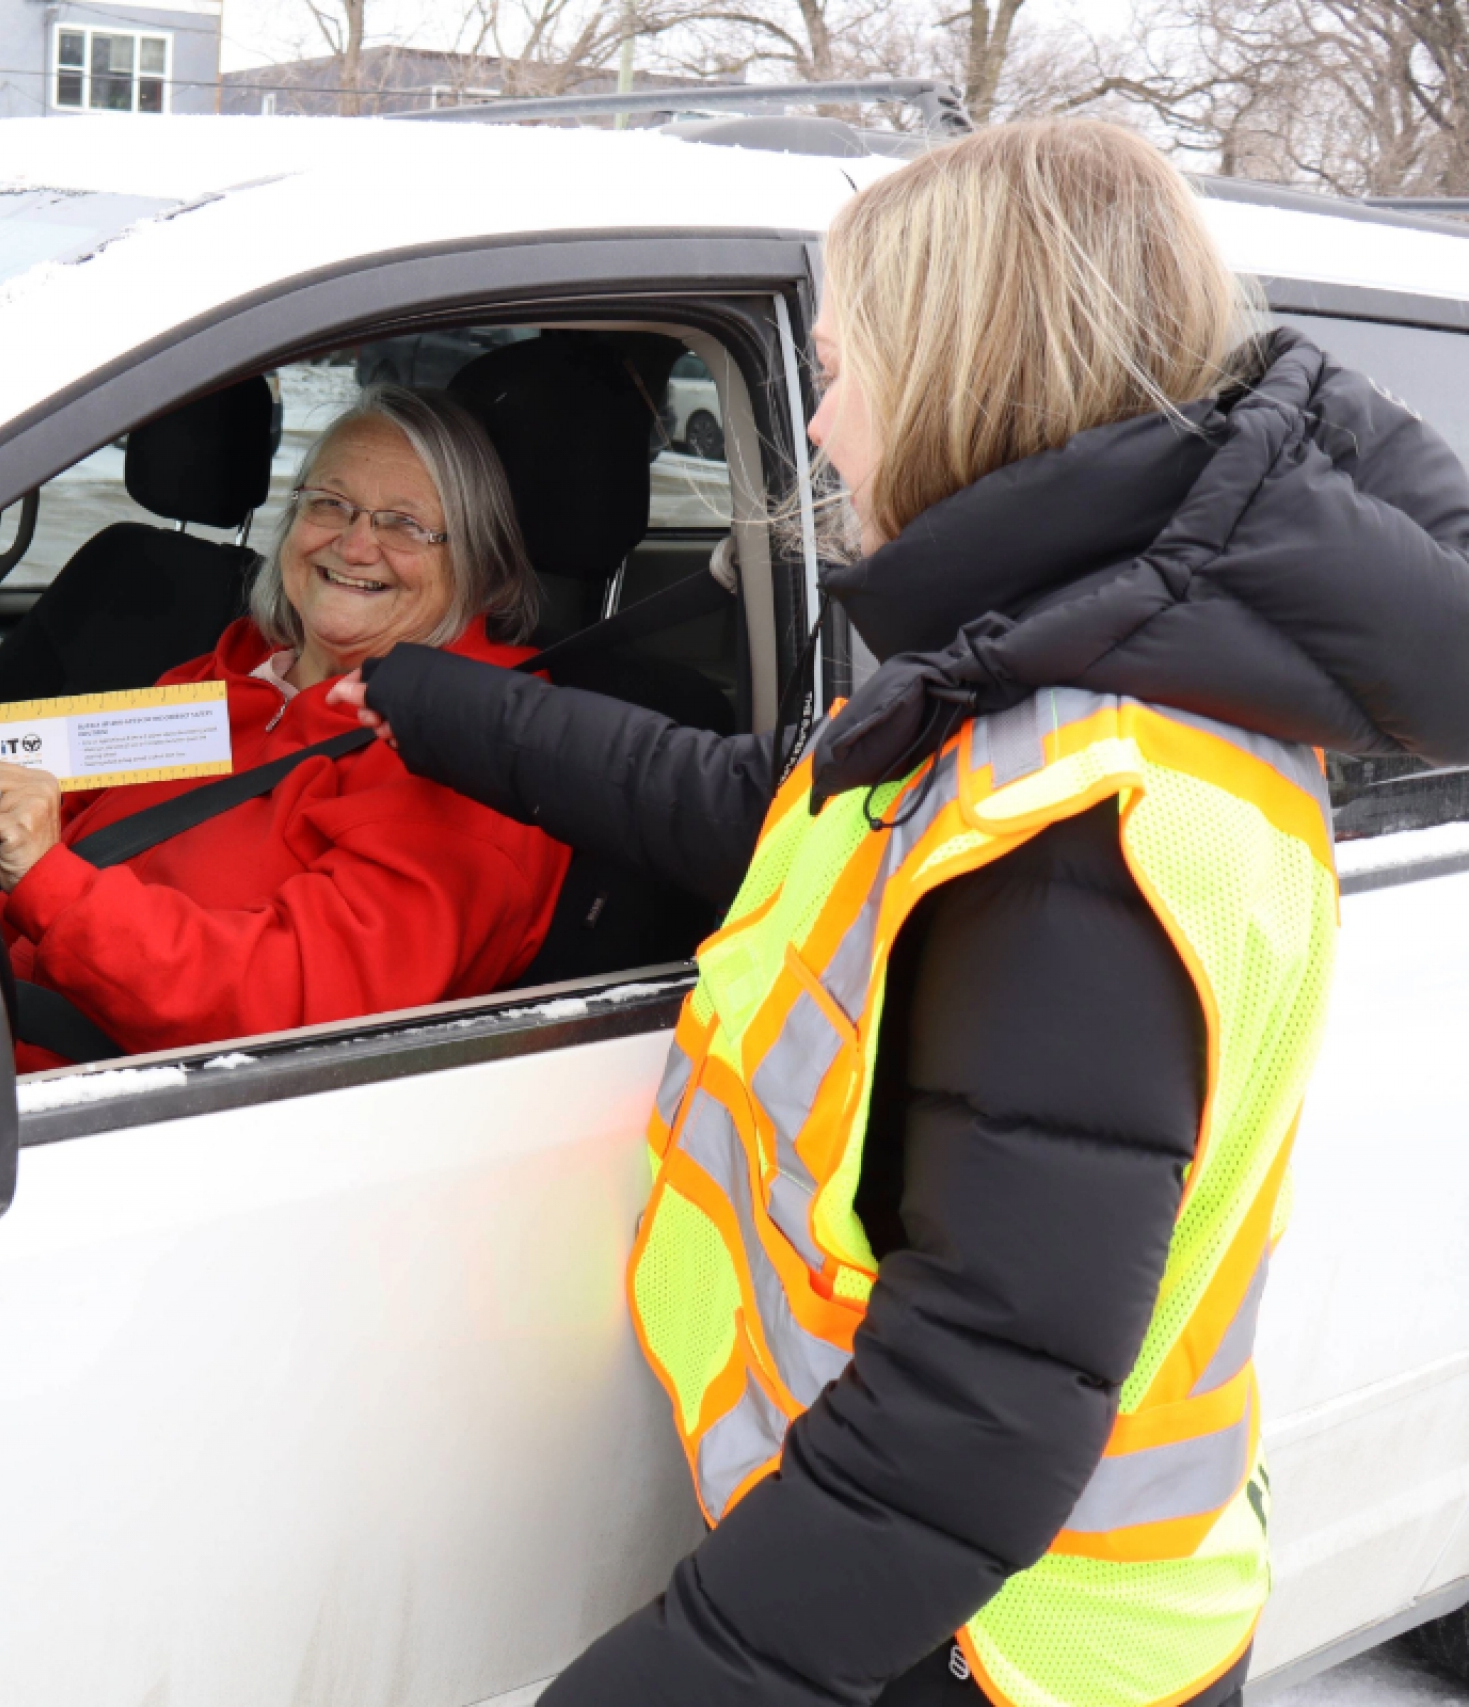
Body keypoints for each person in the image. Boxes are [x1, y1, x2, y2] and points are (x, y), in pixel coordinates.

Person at [333, 120, 1469, 1707]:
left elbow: (975, 1418)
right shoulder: (1059, 678)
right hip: (975, 1600)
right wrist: (429, 699)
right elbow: (756, 805)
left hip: (997, 1647)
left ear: (955, 380)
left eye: (842, 363)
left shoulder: (1081, 823)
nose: (819, 420)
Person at [0, 386, 570, 1066]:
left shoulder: (478, 753)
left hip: (134, 1113)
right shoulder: (229, 670)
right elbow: (38, 791)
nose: (355, 543)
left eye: (404, 523)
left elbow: (296, 1009)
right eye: (330, 504)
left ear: (475, 558)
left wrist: (50, 884)